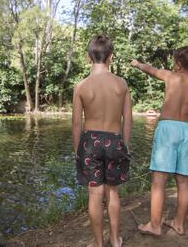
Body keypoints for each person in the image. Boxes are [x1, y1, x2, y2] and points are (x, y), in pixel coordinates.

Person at [131, 45, 188, 237]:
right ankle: (179, 224)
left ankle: (155, 225)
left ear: (178, 64)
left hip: (167, 129)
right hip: (187, 131)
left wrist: (138, 64)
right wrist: (187, 127)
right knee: (183, 180)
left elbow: (151, 70)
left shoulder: (171, 76)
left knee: (159, 180)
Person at [73, 35, 132, 247]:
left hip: (90, 142)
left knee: (95, 194)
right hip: (115, 141)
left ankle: (98, 244)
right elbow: (128, 120)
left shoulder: (81, 86)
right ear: (111, 57)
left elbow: (76, 125)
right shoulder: (121, 84)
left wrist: (77, 152)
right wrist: (125, 145)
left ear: (89, 58)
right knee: (112, 192)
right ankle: (115, 240)